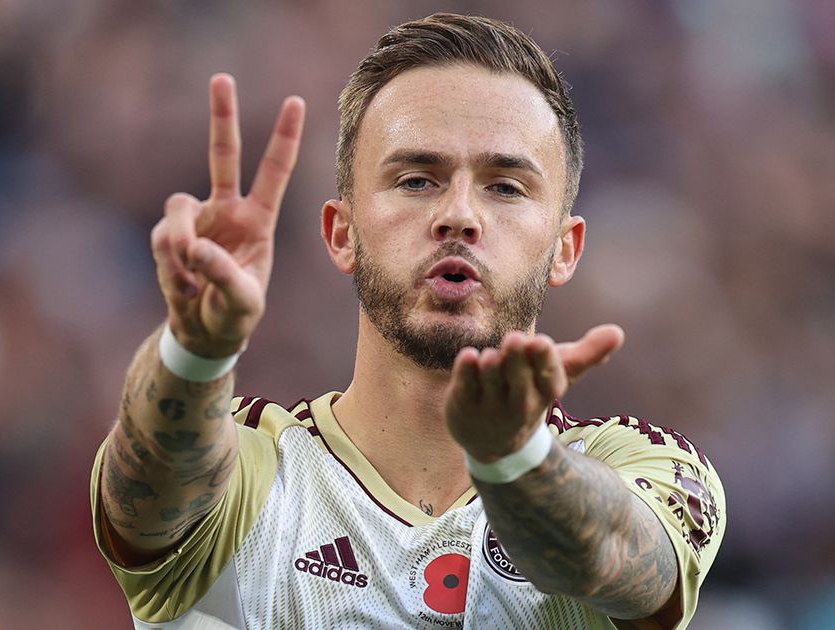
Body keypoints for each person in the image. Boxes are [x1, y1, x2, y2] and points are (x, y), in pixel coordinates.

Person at [91, 13, 725, 629]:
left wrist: (514, 458)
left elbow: (620, 562)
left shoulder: (640, 465)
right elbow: (147, 495)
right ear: (342, 234)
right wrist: (197, 350)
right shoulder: (246, 475)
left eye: (505, 186)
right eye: (417, 179)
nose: (459, 215)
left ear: (565, 249)